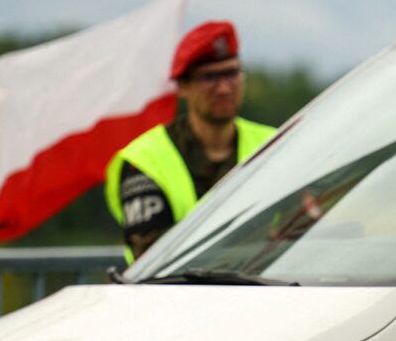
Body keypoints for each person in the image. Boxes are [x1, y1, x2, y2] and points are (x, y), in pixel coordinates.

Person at [104, 21, 275, 260]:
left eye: (231, 73)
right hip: (170, 295)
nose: (224, 88)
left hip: (268, 293)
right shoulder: (144, 160)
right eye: (209, 77)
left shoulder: (277, 143)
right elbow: (154, 257)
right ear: (182, 87)